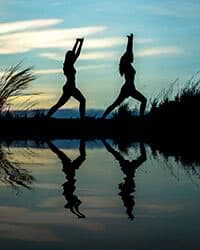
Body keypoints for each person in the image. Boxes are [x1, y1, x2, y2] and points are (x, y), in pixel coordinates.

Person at [102, 33, 147, 118]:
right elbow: (129, 51)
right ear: (128, 57)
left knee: (115, 104)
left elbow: (129, 51)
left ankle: (102, 117)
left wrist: (130, 40)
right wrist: (130, 41)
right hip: (128, 88)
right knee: (144, 100)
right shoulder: (126, 64)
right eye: (131, 56)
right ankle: (141, 117)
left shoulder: (127, 64)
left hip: (128, 88)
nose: (133, 57)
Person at [102, 140, 146, 220]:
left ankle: (104, 141)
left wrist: (130, 212)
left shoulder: (126, 196)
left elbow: (127, 201)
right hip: (129, 169)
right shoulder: (126, 196)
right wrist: (130, 212)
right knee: (116, 154)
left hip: (128, 169)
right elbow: (127, 201)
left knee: (115, 154)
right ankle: (141, 142)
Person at [47, 38, 86, 118]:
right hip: (70, 87)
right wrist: (80, 43)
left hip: (69, 87)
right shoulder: (68, 65)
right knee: (82, 100)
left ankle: (46, 116)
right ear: (69, 57)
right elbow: (76, 53)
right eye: (71, 56)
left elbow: (75, 53)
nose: (73, 56)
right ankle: (83, 118)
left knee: (59, 104)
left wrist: (77, 42)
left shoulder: (68, 64)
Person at [47, 140, 86, 219]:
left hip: (69, 169)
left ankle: (47, 142)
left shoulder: (69, 197)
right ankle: (83, 140)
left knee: (60, 154)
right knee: (81, 156)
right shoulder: (71, 199)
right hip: (70, 169)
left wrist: (78, 214)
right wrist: (79, 214)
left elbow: (73, 209)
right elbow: (75, 208)